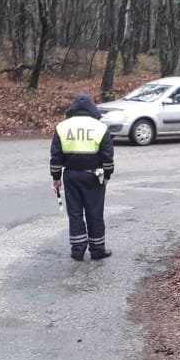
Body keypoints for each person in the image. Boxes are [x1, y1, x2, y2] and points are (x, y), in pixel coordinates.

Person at [50, 94, 115, 261]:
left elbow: (56, 157)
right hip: (94, 176)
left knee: (75, 213)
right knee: (95, 213)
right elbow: (107, 156)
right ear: (92, 109)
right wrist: (107, 176)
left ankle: (78, 250)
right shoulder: (100, 128)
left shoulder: (62, 127)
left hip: (71, 176)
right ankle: (97, 249)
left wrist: (56, 178)